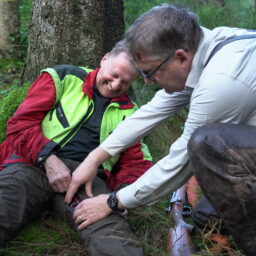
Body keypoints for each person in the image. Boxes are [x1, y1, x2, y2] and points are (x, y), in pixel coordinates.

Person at [65, 4, 256, 256]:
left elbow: (180, 162)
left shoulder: (223, 81)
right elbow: (151, 112)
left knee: (205, 143)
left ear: (180, 56)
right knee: (207, 216)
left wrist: (113, 201)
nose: (146, 81)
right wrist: (95, 158)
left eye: (150, 73)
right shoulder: (205, 48)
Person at [0, 40, 154, 256]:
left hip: (87, 182)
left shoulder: (131, 112)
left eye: (125, 82)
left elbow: (136, 161)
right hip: (31, 165)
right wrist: (48, 158)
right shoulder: (62, 77)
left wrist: (120, 196)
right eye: (114, 74)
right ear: (104, 59)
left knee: (112, 234)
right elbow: (19, 125)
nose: (115, 85)